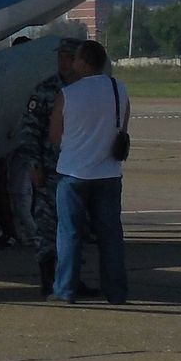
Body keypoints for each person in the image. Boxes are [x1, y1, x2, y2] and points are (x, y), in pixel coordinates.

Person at [47, 40, 130, 304]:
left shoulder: (68, 94)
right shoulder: (119, 89)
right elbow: (123, 127)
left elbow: (54, 135)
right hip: (108, 173)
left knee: (69, 233)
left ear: (83, 62)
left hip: (73, 172)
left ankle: (65, 289)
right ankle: (116, 291)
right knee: (110, 235)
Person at [16, 38, 80, 294]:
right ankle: (48, 280)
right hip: (50, 169)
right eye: (61, 56)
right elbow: (29, 130)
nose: (63, 61)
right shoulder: (46, 90)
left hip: (78, 169)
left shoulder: (86, 90)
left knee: (75, 226)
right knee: (47, 225)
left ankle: (71, 278)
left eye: (69, 57)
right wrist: (34, 165)